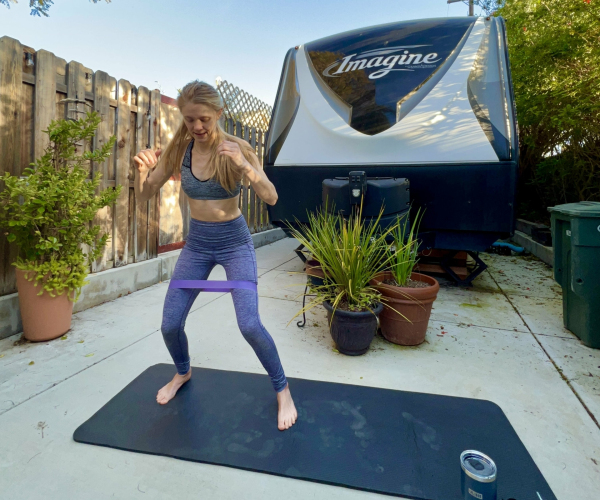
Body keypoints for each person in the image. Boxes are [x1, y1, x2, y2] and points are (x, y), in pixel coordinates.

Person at [133, 80, 297, 431]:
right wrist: (141, 173)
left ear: (219, 114)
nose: (197, 127)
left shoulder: (237, 148)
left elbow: (271, 198)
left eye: (204, 119)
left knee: (249, 324)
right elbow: (145, 195)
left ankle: (282, 389)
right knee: (171, 323)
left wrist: (246, 168)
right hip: (198, 246)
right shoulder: (181, 149)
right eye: (190, 119)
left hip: (234, 243)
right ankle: (183, 371)